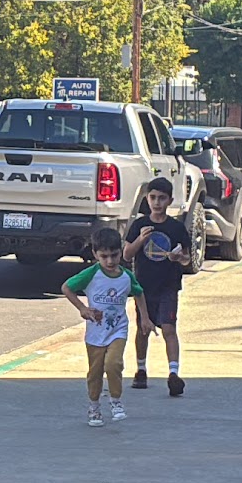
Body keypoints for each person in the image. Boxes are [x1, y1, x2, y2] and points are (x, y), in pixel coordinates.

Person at [124, 178, 197, 396]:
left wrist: (178, 257)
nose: (157, 202)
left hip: (168, 285)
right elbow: (127, 254)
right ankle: (141, 369)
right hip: (144, 287)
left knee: (169, 328)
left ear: (170, 200)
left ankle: (173, 373)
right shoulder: (139, 225)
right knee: (143, 328)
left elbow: (186, 258)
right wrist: (140, 240)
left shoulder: (175, 227)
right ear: (147, 198)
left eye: (162, 198)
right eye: (153, 197)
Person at [60, 228, 136, 427]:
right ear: (95, 254)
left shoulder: (126, 277)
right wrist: (82, 308)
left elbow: (139, 293)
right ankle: (94, 405)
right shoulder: (91, 274)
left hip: (118, 329)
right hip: (95, 332)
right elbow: (67, 287)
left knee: (113, 364)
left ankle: (115, 401)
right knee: (95, 372)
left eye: (114, 255)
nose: (110, 261)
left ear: (121, 252)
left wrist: (144, 318)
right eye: (104, 256)